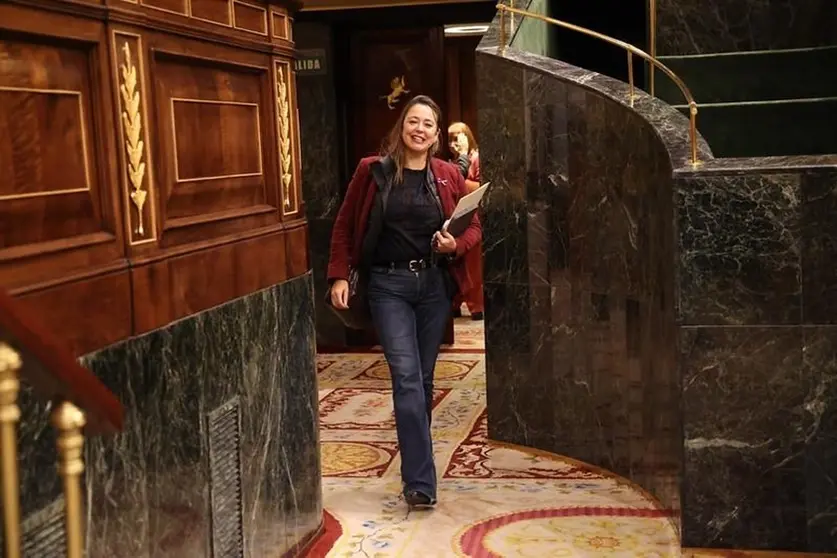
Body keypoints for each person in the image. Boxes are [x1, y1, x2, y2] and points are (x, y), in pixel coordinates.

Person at [327, 96, 482, 509]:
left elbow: (473, 228)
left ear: (435, 135)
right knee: (407, 378)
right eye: (413, 121)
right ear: (402, 128)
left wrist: (454, 244)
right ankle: (420, 481)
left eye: (428, 124)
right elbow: (344, 224)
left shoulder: (448, 175)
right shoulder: (372, 171)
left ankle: (416, 464)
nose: (420, 129)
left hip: (433, 286)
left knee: (425, 380)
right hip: (387, 285)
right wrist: (339, 273)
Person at [448, 122, 484, 320]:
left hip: (473, 216)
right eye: (450, 139)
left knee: (473, 264)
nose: (452, 144)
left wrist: (459, 181)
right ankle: (455, 302)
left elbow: (481, 185)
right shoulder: (452, 162)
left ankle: (476, 306)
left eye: (457, 138)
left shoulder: (476, 158)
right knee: (456, 263)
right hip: (454, 218)